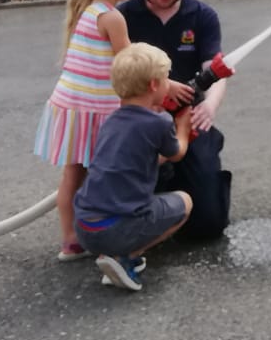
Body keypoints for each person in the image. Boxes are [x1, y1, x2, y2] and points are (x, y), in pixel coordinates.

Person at [32, 0, 142, 261]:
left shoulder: (87, 11)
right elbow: (129, 63)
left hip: (71, 107)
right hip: (95, 111)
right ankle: (108, 236)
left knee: (73, 175)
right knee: (104, 176)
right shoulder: (112, 17)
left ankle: (71, 240)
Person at [121, 0, 232, 240]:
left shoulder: (203, 17)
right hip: (138, 121)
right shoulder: (123, 17)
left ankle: (188, 187)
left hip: (189, 120)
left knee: (209, 224)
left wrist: (209, 105)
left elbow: (216, 70)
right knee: (126, 203)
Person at [72, 42, 193, 292]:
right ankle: (123, 257)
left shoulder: (111, 121)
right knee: (186, 202)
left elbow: (140, 158)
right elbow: (177, 153)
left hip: (84, 226)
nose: (169, 83)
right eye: (166, 78)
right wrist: (183, 125)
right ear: (153, 85)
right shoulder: (158, 123)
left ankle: (116, 255)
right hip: (116, 230)